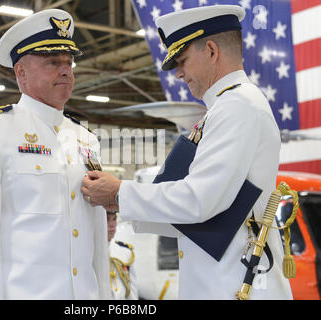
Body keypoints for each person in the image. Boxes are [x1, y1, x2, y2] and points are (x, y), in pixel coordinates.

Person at [81, 5, 293, 300]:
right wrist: (120, 204)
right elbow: (199, 213)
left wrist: (120, 192)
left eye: (181, 61)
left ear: (210, 50)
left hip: (234, 284)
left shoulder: (236, 106)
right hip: (225, 280)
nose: (179, 74)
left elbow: (200, 201)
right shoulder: (227, 107)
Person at [0, 9, 110, 300]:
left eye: (69, 62)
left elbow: (97, 236)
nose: (66, 71)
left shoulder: (85, 139)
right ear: (20, 72)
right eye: (52, 62)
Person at [107, 211, 138, 300]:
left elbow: (132, 291)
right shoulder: (91, 252)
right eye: (107, 220)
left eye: (114, 219)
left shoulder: (125, 251)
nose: (112, 225)